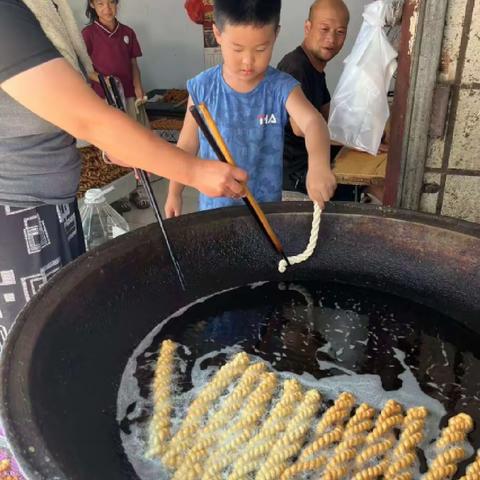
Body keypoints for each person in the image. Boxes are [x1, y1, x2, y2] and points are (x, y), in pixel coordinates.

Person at [0, 0, 247, 345]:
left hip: (53, 203)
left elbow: (78, 114)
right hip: (15, 217)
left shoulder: (46, 9)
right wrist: (194, 170)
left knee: (64, 322)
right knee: (36, 342)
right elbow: (88, 118)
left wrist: (127, 145)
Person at [164, 0, 336, 217]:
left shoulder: (280, 87)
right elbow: (187, 145)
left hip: (265, 213)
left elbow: (313, 122)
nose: (248, 61)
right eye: (237, 49)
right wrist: (174, 192)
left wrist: (319, 165)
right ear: (217, 33)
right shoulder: (203, 88)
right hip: (214, 213)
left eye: (261, 49)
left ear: (276, 34)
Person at [82, 0, 151, 212]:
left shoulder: (127, 32)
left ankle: (135, 190)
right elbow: (84, 68)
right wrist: (105, 80)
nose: (107, 9)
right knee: (112, 146)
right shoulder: (88, 35)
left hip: (128, 96)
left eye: (111, 3)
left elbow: (133, 65)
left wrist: (138, 87)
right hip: (104, 99)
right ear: (93, 6)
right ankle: (116, 195)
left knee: (134, 142)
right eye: (100, 4)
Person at [277, 0, 349, 195]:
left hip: (311, 164)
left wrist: (367, 133)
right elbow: (302, 128)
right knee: (371, 190)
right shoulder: (295, 67)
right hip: (295, 174)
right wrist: (354, 142)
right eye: (324, 29)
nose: (332, 39)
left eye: (340, 32)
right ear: (307, 27)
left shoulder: (316, 69)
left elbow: (329, 116)